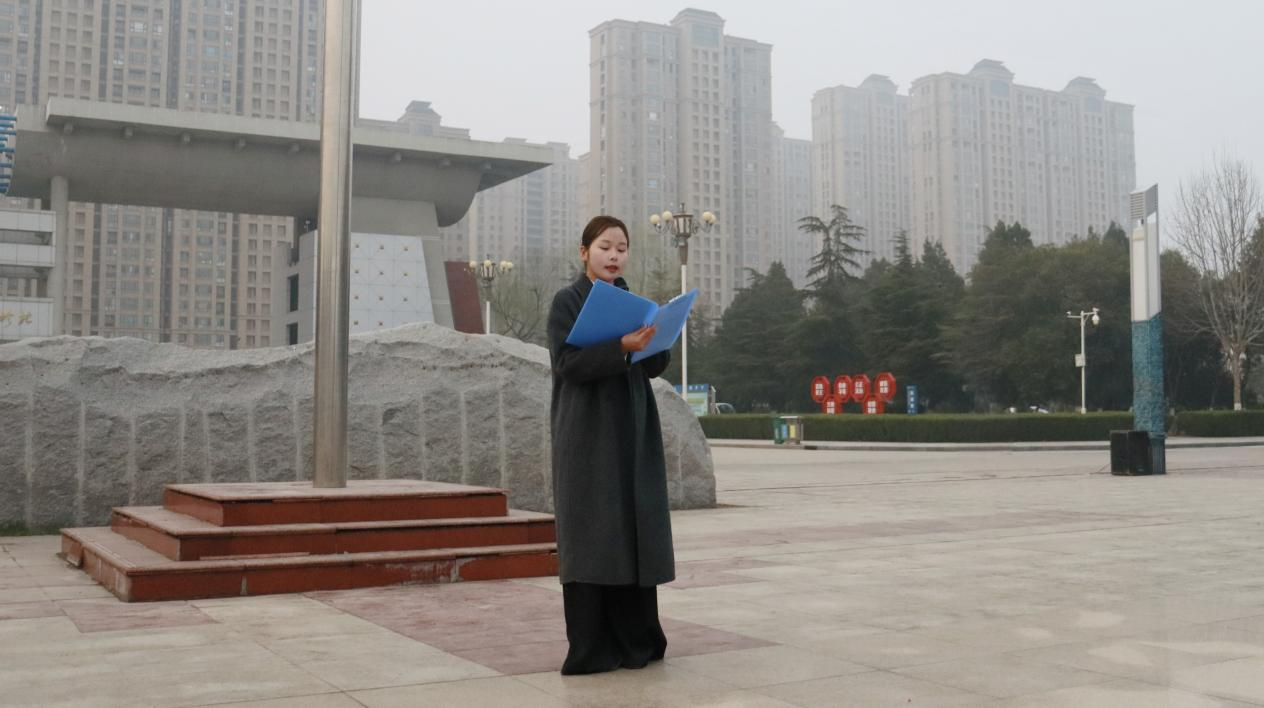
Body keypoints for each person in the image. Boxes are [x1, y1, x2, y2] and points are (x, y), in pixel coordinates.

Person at [546, 215, 675, 675]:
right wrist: (621, 345)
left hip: (633, 427)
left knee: (633, 527)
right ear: (584, 252)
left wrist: (657, 338)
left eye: (621, 248)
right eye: (604, 247)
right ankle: (593, 648)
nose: (614, 255)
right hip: (587, 431)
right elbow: (568, 364)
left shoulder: (632, 302)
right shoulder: (567, 301)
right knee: (593, 532)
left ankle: (637, 640)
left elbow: (653, 366)